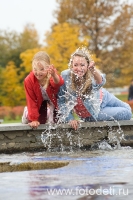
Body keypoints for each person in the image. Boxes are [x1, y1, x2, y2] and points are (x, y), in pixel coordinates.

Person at [57, 47, 132, 130]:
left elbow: (101, 82)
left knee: (127, 107)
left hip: (105, 97)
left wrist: (93, 70)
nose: (79, 68)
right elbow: (61, 100)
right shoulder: (66, 76)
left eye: (82, 65)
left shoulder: (90, 72)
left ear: (87, 65)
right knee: (127, 113)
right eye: (75, 65)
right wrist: (70, 119)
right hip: (95, 112)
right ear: (71, 65)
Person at [22, 51, 64, 128]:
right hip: (38, 101)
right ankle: (26, 112)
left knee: (57, 121)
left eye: (42, 69)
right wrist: (34, 119)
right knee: (40, 121)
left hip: (52, 100)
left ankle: (49, 113)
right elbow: (31, 100)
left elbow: (58, 83)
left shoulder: (51, 74)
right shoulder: (29, 80)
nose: (38, 72)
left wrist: (54, 75)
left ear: (48, 68)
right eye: (35, 69)